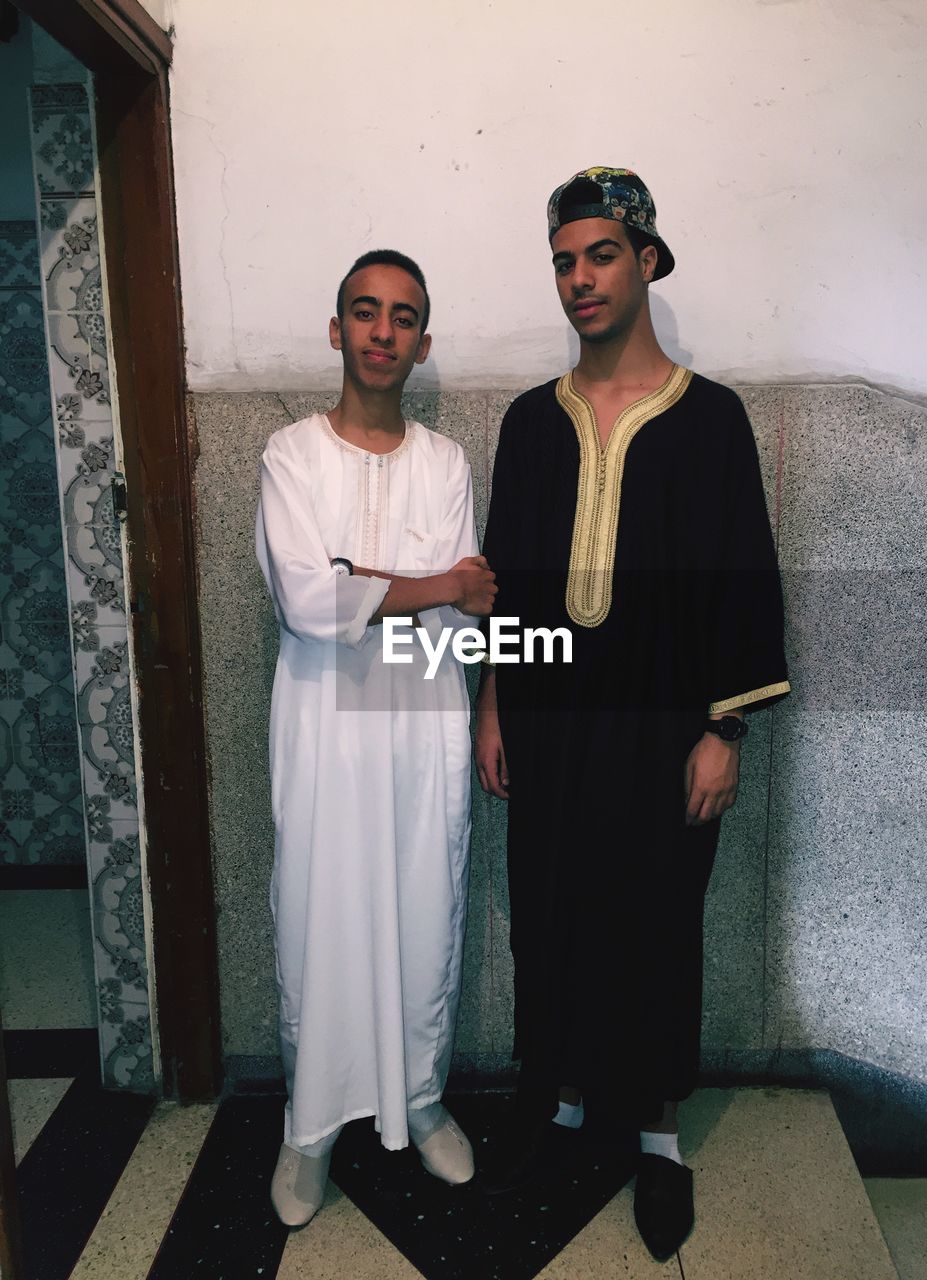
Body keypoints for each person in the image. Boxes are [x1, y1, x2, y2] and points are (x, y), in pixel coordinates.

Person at [475, 168, 789, 1260]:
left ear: (647, 258)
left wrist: (725, 728)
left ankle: (655, 1131)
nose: (579, 279)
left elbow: (741, 579)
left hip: (664, 729)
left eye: (599, 254)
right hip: (552, 721)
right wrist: (493, 702)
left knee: (654, 917)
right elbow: (508, 578)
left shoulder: (710, 422)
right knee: (551, 904)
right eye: (563, 260)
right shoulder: (529, 421)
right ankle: (560, 1107)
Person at [256, 249, 496, 1227]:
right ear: (337, 327)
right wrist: (434, 582)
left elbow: (463, 626)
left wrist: (370, 581)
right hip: (322, 737)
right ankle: (308, 1126)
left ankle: (421, 1096)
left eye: (403, 317)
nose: (382, 332)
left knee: (422, 908)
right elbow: (311, 599)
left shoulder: (445, 464)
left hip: (422, 731)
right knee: (319, 912)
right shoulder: (289, 456)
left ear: (423, 340)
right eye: (365, 312)